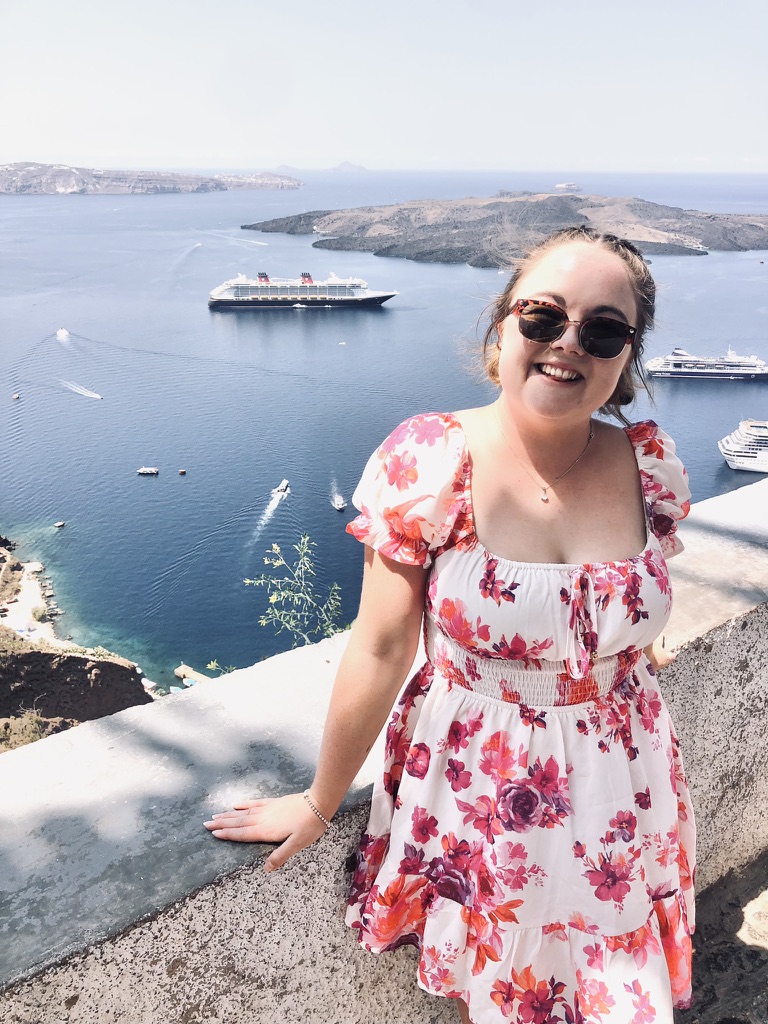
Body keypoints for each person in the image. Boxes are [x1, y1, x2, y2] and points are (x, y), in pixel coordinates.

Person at [204, 226, 695, 1024]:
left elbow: (629, 586)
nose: (567, 343)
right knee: (503, 991)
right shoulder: (432, 458)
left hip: (623, 778)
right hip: (482, 789)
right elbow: (382, 644)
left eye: (603, 329)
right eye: (543, 317)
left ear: (626, 357)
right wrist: (323, 802)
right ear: (502, 324)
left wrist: (623, 647)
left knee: (613, 988)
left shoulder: (647, 462)